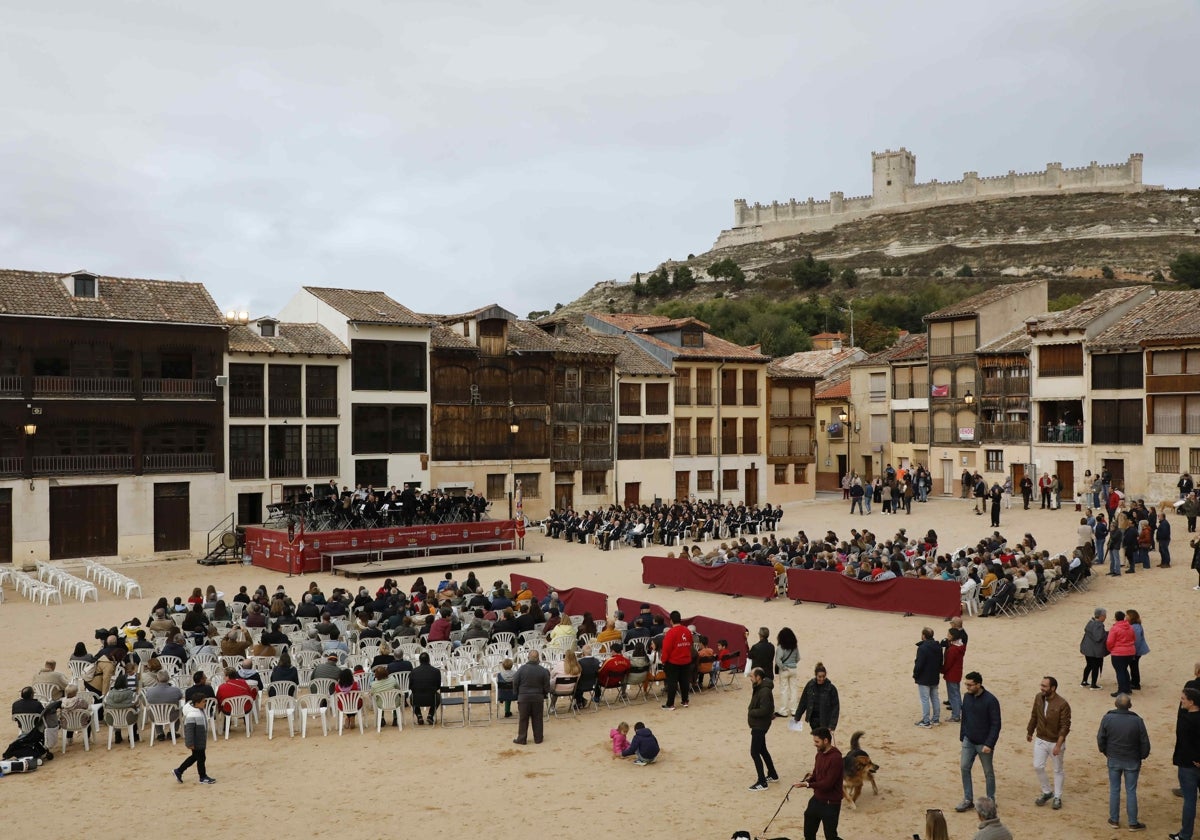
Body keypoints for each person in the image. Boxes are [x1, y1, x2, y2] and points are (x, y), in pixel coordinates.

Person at [1096, 692, 1150, 830]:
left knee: (1114, 789)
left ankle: (1114, 820)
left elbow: (1100, 738)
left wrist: (1105, 752)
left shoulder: (1108, 718)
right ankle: (1132, 822)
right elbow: (1144, 742)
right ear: (1130, 706)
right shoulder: (1137, 721)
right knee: (1131, 791)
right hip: (1132, 760)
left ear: (1115, 704)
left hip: (1114, 758)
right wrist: (1142, 756)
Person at [955, 671, 1002, 812]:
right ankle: (968, 799)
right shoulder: (967, 697)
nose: (967, 687)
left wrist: (989, 744)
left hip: (984, 743)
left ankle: (990, 800)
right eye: (966, 684)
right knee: (964, 767)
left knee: (988, 772)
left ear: (979, 684)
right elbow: (965, 717)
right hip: (969, 740)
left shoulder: (991, 700)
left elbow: (996, 724)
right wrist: (963, 735)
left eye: (970, 685)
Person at [1027, 675, 1071, 810]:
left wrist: (1058, 745)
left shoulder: (1062, 704)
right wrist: (1030, 731)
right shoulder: (1038, 698)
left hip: (1054, 741)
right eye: (1041, 685)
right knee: (1038, 766)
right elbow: (1034, 715)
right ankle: (1047, 791)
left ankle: (1057, 796)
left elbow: (1065, 726)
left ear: (1053, 688)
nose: (1042, 688)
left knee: (1058, 769)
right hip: (1041, 738)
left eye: (1045, 686)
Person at [792, 726, 843, 840]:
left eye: (817, 741)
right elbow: (816, 775)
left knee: (831, 837)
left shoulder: (836, 758)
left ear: (826, 740)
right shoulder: (819, 754)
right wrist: (807, 780)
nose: (815, 744)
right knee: (808, 833)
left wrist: (808, 785)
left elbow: (828, 784)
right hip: (817, 799)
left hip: (831, 803)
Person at [1170, 687, 1200, 840]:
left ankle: (1185, 835)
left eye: (1183, 699)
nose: (1181, 702)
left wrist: (1197, 759)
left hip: (1189, 765)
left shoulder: (1185, 720)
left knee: (1189, 800)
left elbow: (1184, 742)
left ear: (1192, 702)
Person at [173, 691, 215, 785]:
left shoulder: (199, 710)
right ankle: (202, 777)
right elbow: (189, 730)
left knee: (195, 757)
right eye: (203, 702)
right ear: (197, 703)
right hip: (196, 741)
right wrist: (189, 743)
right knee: (200, 758)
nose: (205, 703)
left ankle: (179, 771)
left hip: (199, 740)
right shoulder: (192, 715)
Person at [746, 666, 778, 791]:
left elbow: (765, 710)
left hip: (760, 725)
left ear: (758, 677)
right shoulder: (759, 687)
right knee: (762, 750)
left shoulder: (764, 691)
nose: (750, 678)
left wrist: (752, 712)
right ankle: (773, 774)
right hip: (759, 724)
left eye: (752, 676)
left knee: (754, 752)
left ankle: (762, 782)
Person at [512, 649, 550, 746]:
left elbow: (515, 681)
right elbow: (547, 686)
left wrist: (516, 694)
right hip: (537, 697)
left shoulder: (522, 669)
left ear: (528, 657)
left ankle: (522, 738)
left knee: (523, 719)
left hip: (524, 697)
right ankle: (538, 738)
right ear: (538, 659)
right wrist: (544, 694)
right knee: (537, 718)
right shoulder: (543, 670)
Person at [793, 662, 840, 737]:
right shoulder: (810, 685)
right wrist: (797, 717)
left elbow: (835, 708)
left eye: (823, 676)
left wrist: (832, 726)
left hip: (825, 720)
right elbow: (803, 701)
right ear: (816, 675)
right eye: (819, 677)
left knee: (825, 742)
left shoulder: (831, 688)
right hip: (813, 720)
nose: (822, 679)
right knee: (817, 740)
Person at [660, 610, 693, 711]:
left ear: (671, 621)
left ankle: (670, 704)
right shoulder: (687, 630)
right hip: (686, 660)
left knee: (672, 683)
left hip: (673, 662)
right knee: (684, 681)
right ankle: (685, 700)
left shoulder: (670, 633)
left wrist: (663, 660)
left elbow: (666, 649)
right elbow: (690, 643)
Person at [913, 627, 942, 728]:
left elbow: (919, 664)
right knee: (935, 698)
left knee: (925, 699)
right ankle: (936, 719)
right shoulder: (938, 646)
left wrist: (915, 674)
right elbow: (940, 662)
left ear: (924, 636)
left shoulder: (922, 648)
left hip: (924, 677)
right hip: (934, 676)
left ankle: (926, 721)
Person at [1107, 610, 1136, 697]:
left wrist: (1111, 649)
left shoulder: (1115, 628)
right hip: (1130, 652)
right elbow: (1134, 638)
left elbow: (1109, 642)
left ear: (1116, 618)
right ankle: (1127, 689)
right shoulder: (1130, 627)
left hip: (1118, 653)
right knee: (1124, 669)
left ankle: (1121, 690)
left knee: (1120, 671)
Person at [774, 627, 800, 718]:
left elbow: (778, 660)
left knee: (784, 690)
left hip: (785, 670)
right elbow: (798, 658)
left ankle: (783, 711)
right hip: (794, 669)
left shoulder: (780, 647)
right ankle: (794, 710)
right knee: (793, 689)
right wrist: (792, 664)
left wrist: (783, 667)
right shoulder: (795, 647)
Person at [409, 652, 441, 726]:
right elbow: (438, 686)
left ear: (419, 661)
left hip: (416, 699)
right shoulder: (436, 671)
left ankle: (419, 716)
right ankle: (430, 715)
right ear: (429, 660)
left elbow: (410, 687)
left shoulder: (413, 671)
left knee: (411, 697)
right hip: (432, 699)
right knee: (438, 697)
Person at [1080, 608, 1108, 690]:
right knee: (1095, 666)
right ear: (1101, 616)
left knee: (1089, 665)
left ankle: (1084, 681)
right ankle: (1093, 685)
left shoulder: (1090, 622)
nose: (1105, 617)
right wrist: (1106, 634)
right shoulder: (1099, 625)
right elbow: (1098, 637)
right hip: (1094, 651)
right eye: (1104, 616)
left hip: (1086, 648)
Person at [942, 628, 966, 722]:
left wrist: (942, 670)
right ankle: (958, 711)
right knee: (956, 693)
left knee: (953, 695)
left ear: (952, 636)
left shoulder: (953, 650)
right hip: (957, 672)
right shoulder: (960, 646)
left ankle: (955, 716)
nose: (947, 636)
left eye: (948, 635)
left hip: (952, 674)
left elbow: (948, 663)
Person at [1128, 609, 1149, 691]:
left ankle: (1135, 683)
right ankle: (1134, 681)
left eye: (1127, 615)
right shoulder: (1134, 625)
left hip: (1136, 651)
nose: (1125, 617)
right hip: (1136, 650)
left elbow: (1136, 641)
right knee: (1133, 666)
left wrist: (1133, 652)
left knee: (1134, 666)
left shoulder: (1135, 627)